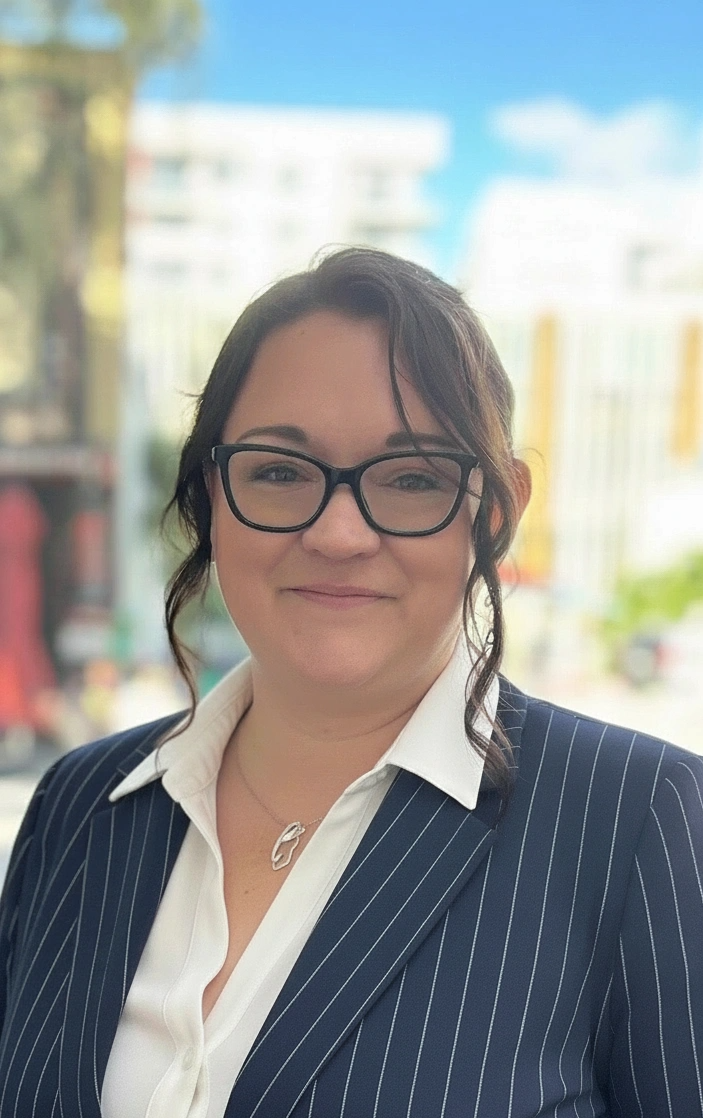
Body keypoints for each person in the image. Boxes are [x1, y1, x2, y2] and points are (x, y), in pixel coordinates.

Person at [0, 248, 701, 1118]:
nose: (338, 535)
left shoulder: (641, 822)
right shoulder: (79, 805)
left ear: (494, 512)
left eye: (410, 479)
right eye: (279, 471)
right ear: (212, 496)